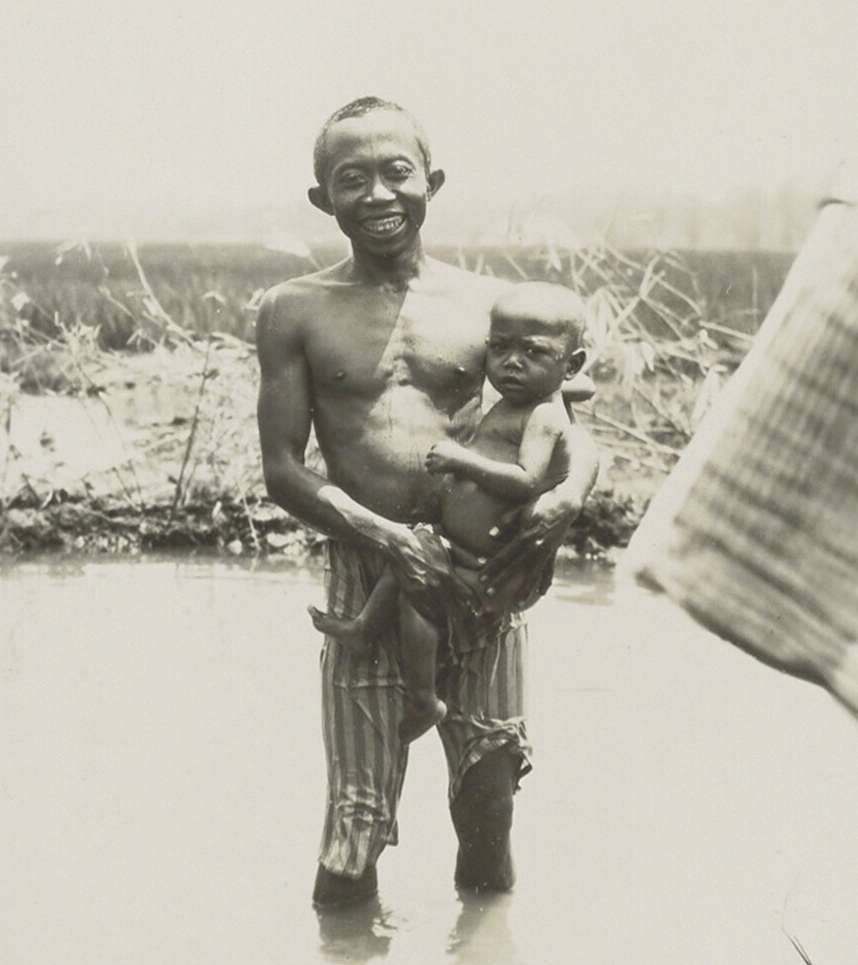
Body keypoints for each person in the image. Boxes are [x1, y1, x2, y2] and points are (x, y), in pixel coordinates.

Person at [256, 97, 600, 906]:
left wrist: (563, 508)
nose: (378, 194)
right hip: (368, 573)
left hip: (486, 569)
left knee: (490, 802)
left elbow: (571, 431)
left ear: (431, 183)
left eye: (396, 172)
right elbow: (282, 469)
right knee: (355, 820)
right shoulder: (293, 310)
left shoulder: (496, 308)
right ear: (323, 199)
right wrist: (390, 537)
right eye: (353, 179)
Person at [307, 280, 587, 743]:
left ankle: (424, 699)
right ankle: (364, 628)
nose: (512, 363)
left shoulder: (543, 415)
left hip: (485, 566)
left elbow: (526, 479)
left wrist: (461, 461)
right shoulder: (520, 401)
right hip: (456, 549)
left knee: (418, 601)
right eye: (499, 349)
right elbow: (572, 383)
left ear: (570, 365)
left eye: (533, 353)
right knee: (410, 558)